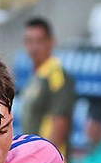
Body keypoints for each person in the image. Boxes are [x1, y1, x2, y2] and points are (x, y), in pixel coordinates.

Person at [18, 17, 75, 155]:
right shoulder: (37, 76)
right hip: (33, 157)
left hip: (46, 162)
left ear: (51, 42)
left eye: (39, 41)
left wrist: (45, 158)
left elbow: (60, 121)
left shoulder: (56, 76)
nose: (34, 47)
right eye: (29, 41)